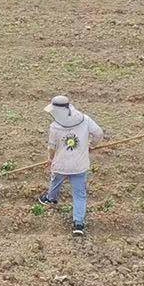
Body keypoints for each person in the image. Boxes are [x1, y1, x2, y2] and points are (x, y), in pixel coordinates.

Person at [37, 93, 106, 235]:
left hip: (61, 164)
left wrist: (50, 159)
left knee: (56, 181)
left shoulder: (55, 127)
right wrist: (91, 145)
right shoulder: (85, 120)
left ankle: (51, 199)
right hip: (79, 165)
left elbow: (52, 147)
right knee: (79, 194)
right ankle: (78, 224)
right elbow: (98, 133)